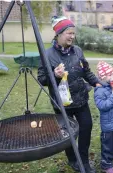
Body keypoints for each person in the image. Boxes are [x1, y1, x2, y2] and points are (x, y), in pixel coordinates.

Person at [37, 16, 101, 173]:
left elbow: (86, 71)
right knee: (68, 134)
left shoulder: (78, 51)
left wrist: (96, 83)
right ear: (58, 34)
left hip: (81, 99)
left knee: (86, 128)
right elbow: (41, 79)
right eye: (69, 33)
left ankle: (84, 161)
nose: (72, 36)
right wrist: (54, 74)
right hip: (62, 103)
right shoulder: (48, 54)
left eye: (73, 33)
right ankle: (73, 160)